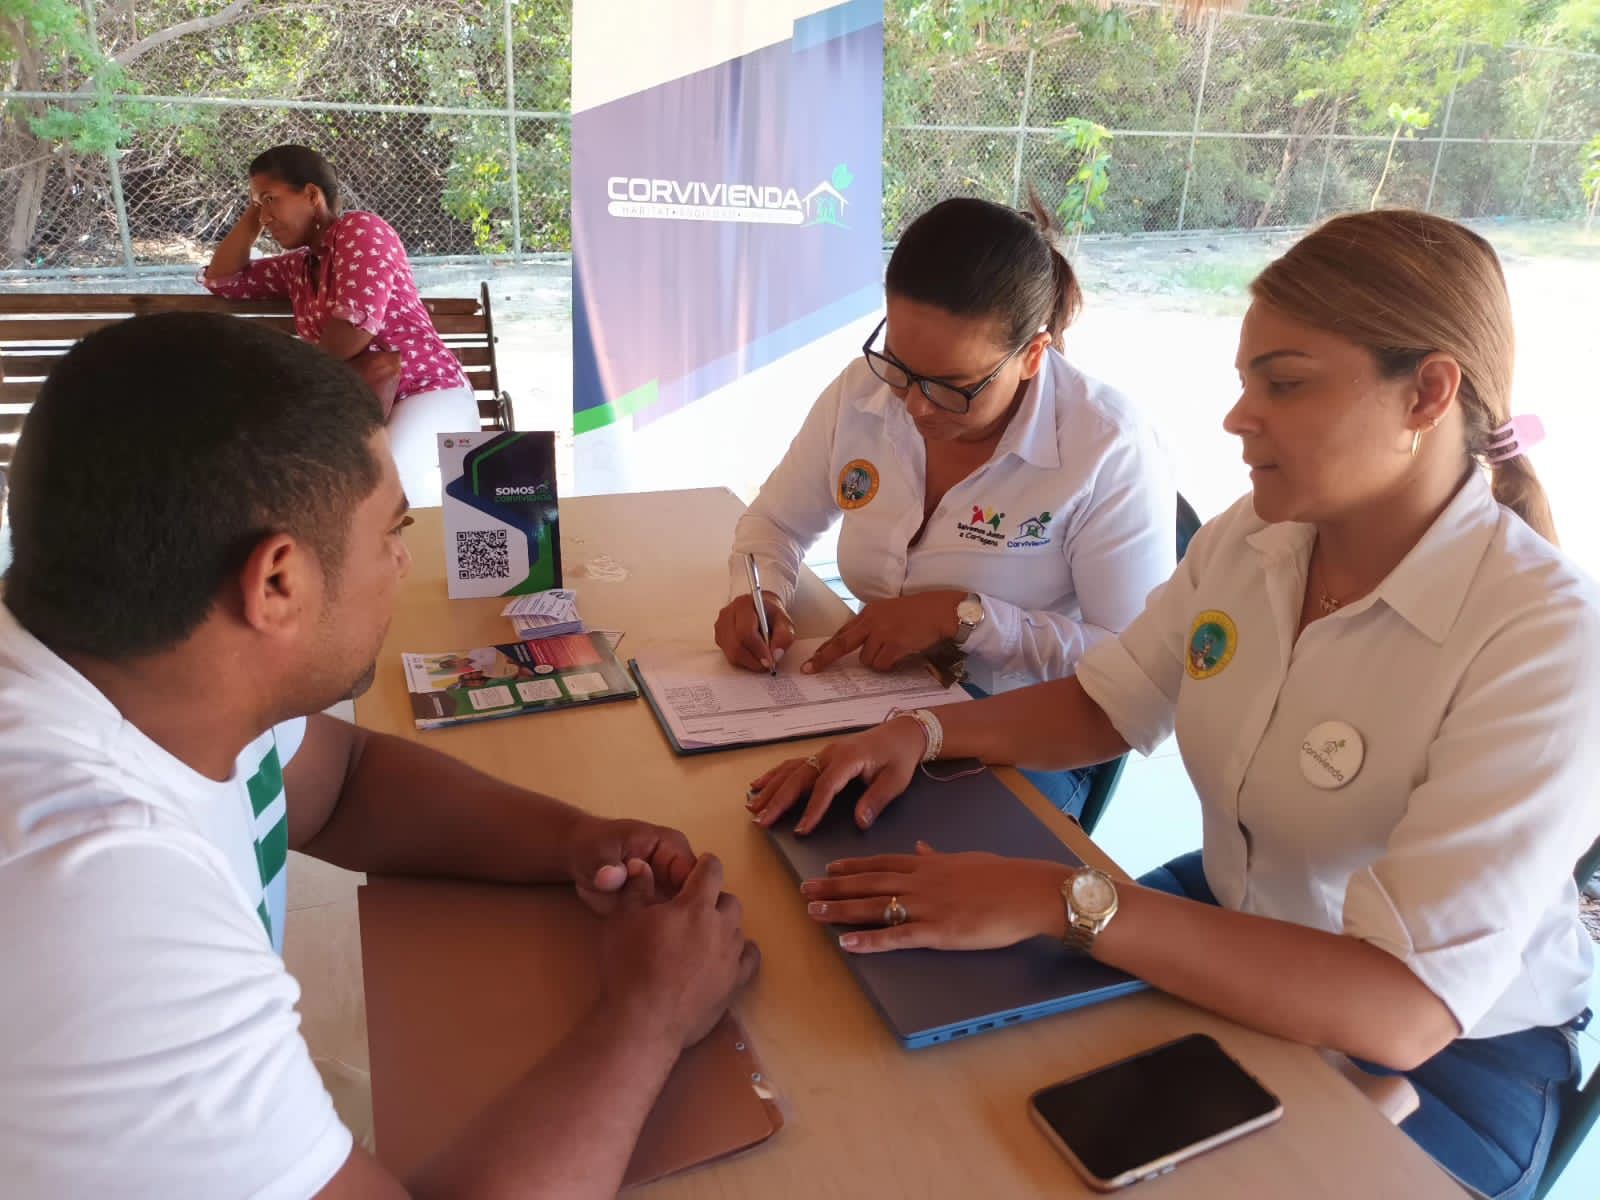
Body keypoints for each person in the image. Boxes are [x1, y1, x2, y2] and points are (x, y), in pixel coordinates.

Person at [748, 210, 1598, 1200]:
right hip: (1238, 918)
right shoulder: (1255, 541)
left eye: (1282, 383)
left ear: (1428, 392)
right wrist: (920, 730)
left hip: (1453, 1062)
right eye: (1245, 382)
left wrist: (1052, 898)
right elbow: (1109, 704)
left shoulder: (1541, 641)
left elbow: (1401, 1011)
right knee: (940, 1071)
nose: (1238, 418)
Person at [0, 313, 758, 1199]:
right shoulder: (93, 890)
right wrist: (651, 1019)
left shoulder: (142, 667)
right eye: (392, 533)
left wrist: (572, 840)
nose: (403, 564)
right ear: (277, 583)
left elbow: (343, 785)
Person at [719, 195, 1173, 818]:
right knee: (753, 801)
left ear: (1033, 356)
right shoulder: (863, 392)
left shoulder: (1105, 446)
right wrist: (761, 593)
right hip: (878, 698)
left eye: (954, 388)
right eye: (901, 368)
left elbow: (1139, 663)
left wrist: (966, 618)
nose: (916, 407)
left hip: (1025, 735)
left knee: (871, 849)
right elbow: (775, 524)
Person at [201, 144, 479, 507]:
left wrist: (290, 384)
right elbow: (222, 279)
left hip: (425, 391)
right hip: (357, 405)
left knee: (381, 484)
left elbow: (352, 331)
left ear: (312, 194)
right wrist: (255, 215)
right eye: (258, 204)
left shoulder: (361, 230)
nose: (265, 216)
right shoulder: (299, 267)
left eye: (271, 199)